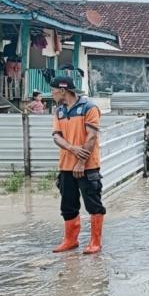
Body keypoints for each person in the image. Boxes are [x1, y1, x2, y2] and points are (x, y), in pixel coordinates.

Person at [49, 77, 106, 254]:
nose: (52, 93)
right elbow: (56, 136)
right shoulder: (59, 111)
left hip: (88, 166)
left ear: (63, 90)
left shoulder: (89, 108)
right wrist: (72, 148)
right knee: (68, 205)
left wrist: (81, 162)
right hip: (66, 166)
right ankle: (70, 240)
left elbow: (91, 137)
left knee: (93, 203)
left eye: (54, 90)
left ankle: (95, 242)